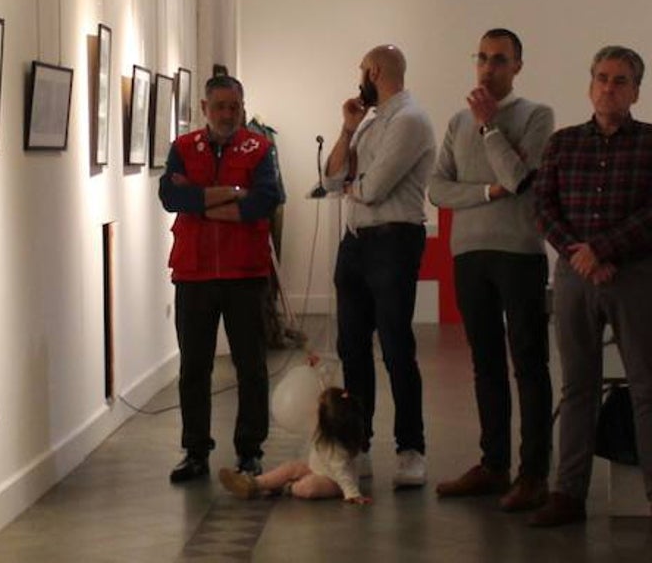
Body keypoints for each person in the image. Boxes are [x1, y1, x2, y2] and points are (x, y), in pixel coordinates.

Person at [428, 29, 554, 512]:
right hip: (468, 254)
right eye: (481, 57)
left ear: (517, 66)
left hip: (519, 252)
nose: (487, 68)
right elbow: (438, 188)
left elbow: (520, 178)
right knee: (484, 364)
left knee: (529, 363)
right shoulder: (457, 120)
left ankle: (534, 474)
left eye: (499, 60)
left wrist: (489, 126)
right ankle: (493, 464)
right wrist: (486, 193)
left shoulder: (536, 116)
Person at [530, 45, 652, 527]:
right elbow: (543, 207)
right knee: (577, 386)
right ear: (590, 84)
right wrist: (579, 254)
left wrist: (602, 248)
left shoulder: (649, 143)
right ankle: (568, 494)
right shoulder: (562, 143)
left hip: (635, 279)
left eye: (620, 80)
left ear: (636, 91)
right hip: (575, 277)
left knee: (647, 387)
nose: (608, 87)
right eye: (601, 77)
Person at [158, 74, 283, 484]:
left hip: (245, 272)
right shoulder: (183, 148)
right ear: (204, 108)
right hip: (193, 273)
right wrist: (233, 192)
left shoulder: (260, 148)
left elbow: (265, 199)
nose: (227, 114)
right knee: (194, 367)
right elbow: (171, 197)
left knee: (251, 366)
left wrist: (203, 199)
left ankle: (250, 450)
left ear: (242, 107)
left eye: (234, 106)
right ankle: (195, 451)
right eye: (220, 107)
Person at [321, 44, 435, 488]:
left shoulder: (410, 120)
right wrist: (348, 129)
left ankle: (410, 449)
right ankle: (357, 443)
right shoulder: (369, 123)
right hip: (355, 243)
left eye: (361, 71)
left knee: (395, 348)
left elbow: (373, 188)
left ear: (374, 70)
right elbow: (333, 179)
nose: (360, 78)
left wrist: (353, 185)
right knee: (352, 348)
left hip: (392, 242)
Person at [219, 387, 371, 504]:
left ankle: (288, 487)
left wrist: (352, 494)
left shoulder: (336, 451)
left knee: (311, 487)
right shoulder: (322, 430)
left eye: (318, 409)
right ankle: (254, 484)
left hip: (333, 482)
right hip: (316, 470)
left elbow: (342, 474)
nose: (314, 409)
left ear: (326, 424)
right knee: (291, 467)